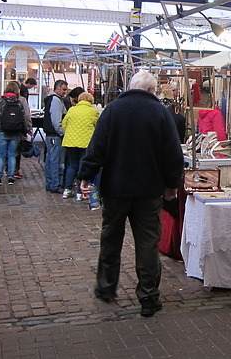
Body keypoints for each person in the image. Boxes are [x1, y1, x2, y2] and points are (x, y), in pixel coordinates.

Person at [77, 71, 184, 317]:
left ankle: (106, 288)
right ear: (151, 90)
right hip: (149, 190)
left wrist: (85, 175)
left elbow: (97, 147)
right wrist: (171, 185)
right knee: (147, 242)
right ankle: (148, 296)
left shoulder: (113, 110)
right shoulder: (160, 113)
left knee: (111, 237)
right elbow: (172, 154)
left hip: (115, 188)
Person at [0, 81, 31, 185]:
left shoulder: (0, 101)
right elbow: (24, 118)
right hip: (15, 133)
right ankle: (11, 177)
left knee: (1, 155)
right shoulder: (19, 102)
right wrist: (25, 131)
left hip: (1, 131)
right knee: (12, 155)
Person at [62, 92, 99, 200]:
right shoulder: (93, 111)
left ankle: (67, 190)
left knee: (72, 165)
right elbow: (98, 126)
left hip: (70, 142)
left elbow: (64, 124)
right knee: (83, 166)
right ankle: (79, 192)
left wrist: (69, 134)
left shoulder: (72, 110)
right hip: (85, 142)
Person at [43, 80, 69, 193]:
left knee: (50, 160)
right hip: (55, 135)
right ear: (57, 89)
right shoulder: (56, 100)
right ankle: (55, 185)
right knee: (56, 161)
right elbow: (56, 120)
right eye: (63, 89)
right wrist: (62, 132)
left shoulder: (52, 99)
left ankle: (50, 184)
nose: (65, 92)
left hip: (51, 135)